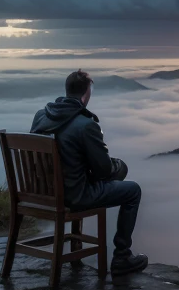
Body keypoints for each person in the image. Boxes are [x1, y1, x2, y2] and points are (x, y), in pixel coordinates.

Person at [30, 69, 148, 276]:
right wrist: (119, 167)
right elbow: (103, 170)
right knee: (133, 191)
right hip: (74, 196)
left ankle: (81, 250)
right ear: (87, 94)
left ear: (67, 91)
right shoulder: (86, 125)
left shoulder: (42, 116)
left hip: (43, 193)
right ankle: (121, 256)